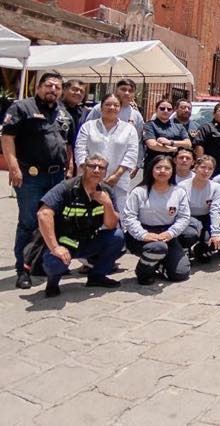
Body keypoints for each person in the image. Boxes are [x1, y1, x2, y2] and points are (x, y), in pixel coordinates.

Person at [2, 71, 75, 288]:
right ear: (39, 87)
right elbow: (7, 137)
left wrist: (69, 167)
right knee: (28, 223)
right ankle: (22, 270)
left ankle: (42, 264)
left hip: (57, 176)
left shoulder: (63, 113)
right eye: (49, 86)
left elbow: (67, 143)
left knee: (52, 221)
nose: (53, 90)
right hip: (31, 176)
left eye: (57, 87)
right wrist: (13, 167)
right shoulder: (22, 108)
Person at [36, 153, 123, 297]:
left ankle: (97, 276)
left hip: (88, 240)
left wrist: (107, 204)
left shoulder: (106, 191)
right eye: (92, 166)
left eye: (101, 168)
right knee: (55, 261)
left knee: (117, 237)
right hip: (64, 241)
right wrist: (55, 247)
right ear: (83, 168)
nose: (96, 170)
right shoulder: (67, 187)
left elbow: (111, 225)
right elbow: (43, 214)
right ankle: (52, 283)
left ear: (105, 172)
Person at [122, 155, 191, 285]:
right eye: (158, 167)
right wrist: (143, 235)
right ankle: (144, 272)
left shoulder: (179, 192)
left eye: (167, 168)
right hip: (143, 234)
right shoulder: (139, 192)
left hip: (168, 234)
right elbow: (129, 217)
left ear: (172, 171)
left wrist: (170, 233)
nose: (162, 171)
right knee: (157, 247)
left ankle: (158, 263)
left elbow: (184, 217)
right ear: (151, 170)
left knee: (181, 273)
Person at [74, 92, 139, 212]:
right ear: (101, 107)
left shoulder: (129, 129)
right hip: (89, 179)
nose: (112, 108)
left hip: (118, 182)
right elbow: (80, 151)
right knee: (88, 213)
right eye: (108, 104)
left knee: (118, 215)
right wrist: (90, 174)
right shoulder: (88, 127)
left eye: (116, 105)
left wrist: (115, 176)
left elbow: (131, 155)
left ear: (120, 108)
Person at [84, 78, 145, 164]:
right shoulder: (99, 109)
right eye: (123, 89)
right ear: (116, 90)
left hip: (123, 163)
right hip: (96, 161)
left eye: (130, 91)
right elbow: (86, 134)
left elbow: (138, 142)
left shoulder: (137, 116)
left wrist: (137, 163)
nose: (127, 93)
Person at [178, 155, 220, 263]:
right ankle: (183, 249)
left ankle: (200, 250)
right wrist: (197, 225)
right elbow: (181, 212)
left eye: (210, 168)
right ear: (195, 167)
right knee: (189, 235)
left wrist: (215, 233)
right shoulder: (182, 186)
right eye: (203, 167)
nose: (206, 171)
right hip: (188, 218)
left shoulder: (216, 187)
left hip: (206, 216)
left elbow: (215, 210)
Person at [142, 98, 192, 164]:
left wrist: (170, 142)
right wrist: (173, 149)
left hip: (173, 165)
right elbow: (152, 145)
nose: (166, 111)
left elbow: (188, 144)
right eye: (162, 108)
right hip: (154, 164)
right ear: (156, 110)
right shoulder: (149, 125)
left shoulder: (179, 126)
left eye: (169, 109)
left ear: (172, 111)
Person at [60, 78, 89, 148]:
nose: (78, 93)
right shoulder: (54, 109)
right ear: (64, 90)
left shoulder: (84, 113)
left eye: (81, 91)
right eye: (74, 89)